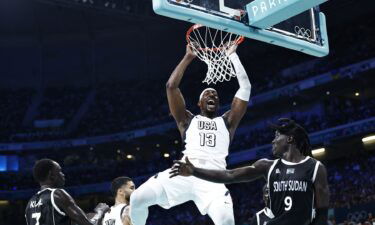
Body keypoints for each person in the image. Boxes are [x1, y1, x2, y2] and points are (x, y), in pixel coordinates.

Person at [129, 43, 251, 225]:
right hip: (183, 172)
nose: (213, 96)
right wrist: (188, 58)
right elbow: (171, 86)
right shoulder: (187, 120)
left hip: (213, 178)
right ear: (199, 104)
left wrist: (233, 55)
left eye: (216, 95)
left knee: (226, 222)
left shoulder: (227, 122)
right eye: (208, 94)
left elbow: (245, 88)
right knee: (137, 199)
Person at [170, 118, 330, 225]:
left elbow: (322, 214)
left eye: (277, 136)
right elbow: (229, 175)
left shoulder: (315, 168)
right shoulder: (267, 166)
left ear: (289, 139)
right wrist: (194, 171)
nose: (273, 140)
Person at [25, 159, 109, 225]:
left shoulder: (29, 204)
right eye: (59, 171)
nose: (63, 174)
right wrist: (100, 211)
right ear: (52, 175)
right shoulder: (57, 194)